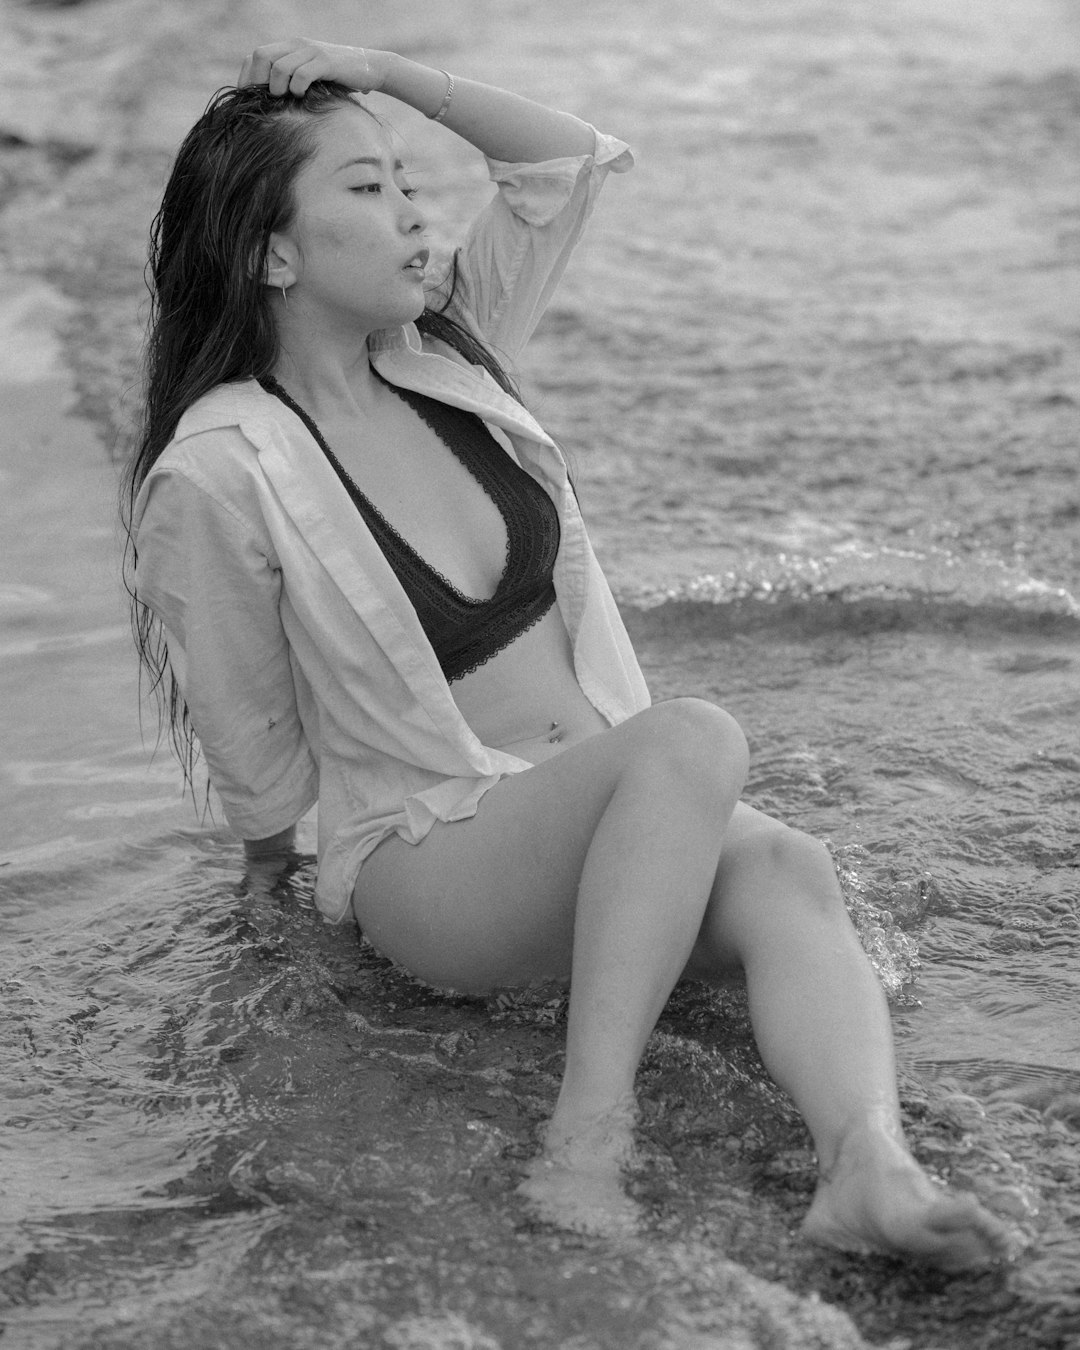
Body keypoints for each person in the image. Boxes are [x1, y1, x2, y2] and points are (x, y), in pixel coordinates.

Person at [123, 36, 1013, 1267]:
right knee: (695, 739)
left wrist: (369, 68)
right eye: (368, 191)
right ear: (275, 251)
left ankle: (868, 1163)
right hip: (431, 856)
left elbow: (559, 160)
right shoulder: (220, 468)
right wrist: (278, 907)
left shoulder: (453, 351)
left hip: (597, 823)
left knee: (787, 869)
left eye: (412, 184)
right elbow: (255, 744)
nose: (416, 215)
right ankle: (586, 1140)